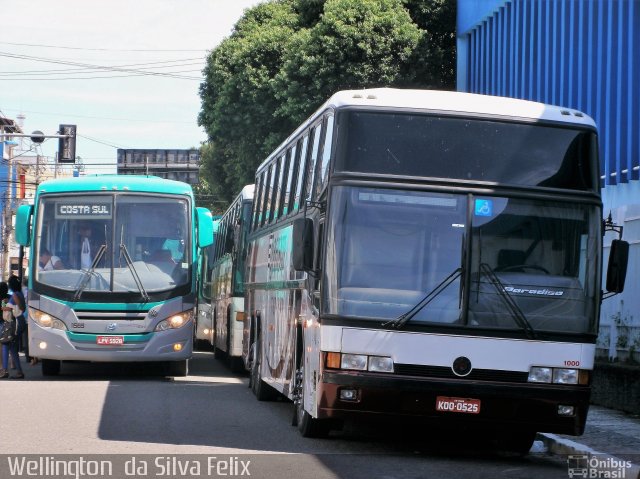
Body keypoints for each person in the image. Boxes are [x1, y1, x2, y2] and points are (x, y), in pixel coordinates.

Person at [0, 276, 25, 379]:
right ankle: (19, 372)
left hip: (15, 323)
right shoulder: (19, 294)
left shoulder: (14, 295)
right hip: (18, 322)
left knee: (5, 344)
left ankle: (5, 371)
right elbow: (22, 308)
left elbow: (20, 308)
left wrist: (4, 307)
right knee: (13, 347)